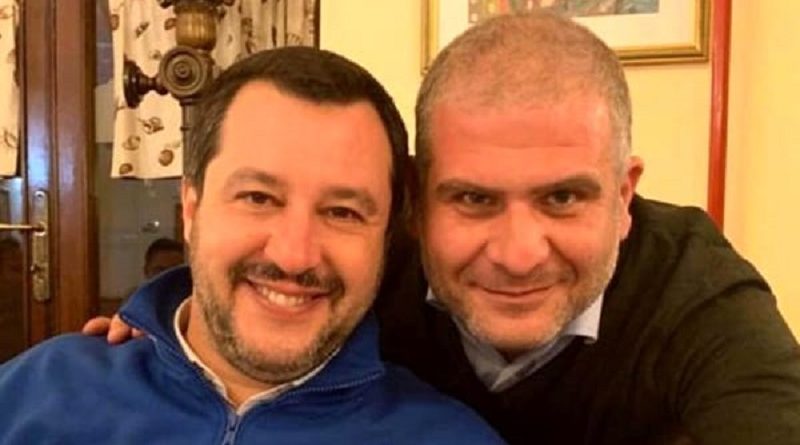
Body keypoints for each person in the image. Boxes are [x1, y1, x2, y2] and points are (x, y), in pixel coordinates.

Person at [84, 10, 800, 445]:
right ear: (414, 203)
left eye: (562, 198)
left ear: (624, 196)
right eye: (474, 200)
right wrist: (165, 334)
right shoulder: (364, 262)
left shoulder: (700, 299)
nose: (518, 254)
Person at [0, 47, 505, 444]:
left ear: (387, 237)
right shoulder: (39, 391)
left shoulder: (446, 436)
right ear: (191, 209)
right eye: (258, 198)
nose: (294, 255)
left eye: (342, 212)